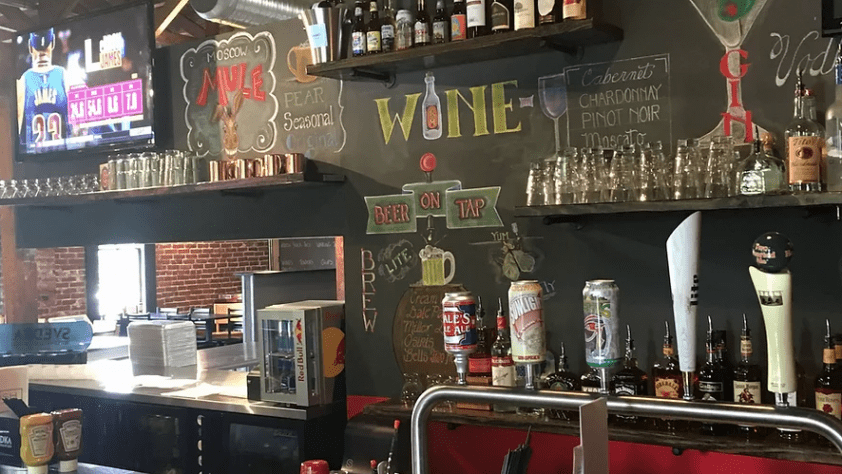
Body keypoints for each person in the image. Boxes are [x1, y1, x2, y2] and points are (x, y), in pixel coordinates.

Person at [17, 28, 70, 148]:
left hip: (34, 156)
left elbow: (15, 133)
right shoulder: (64, 76)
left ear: (30, 47)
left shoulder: (23, 81)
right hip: (64, 154)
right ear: (52, 43)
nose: (41, 53)